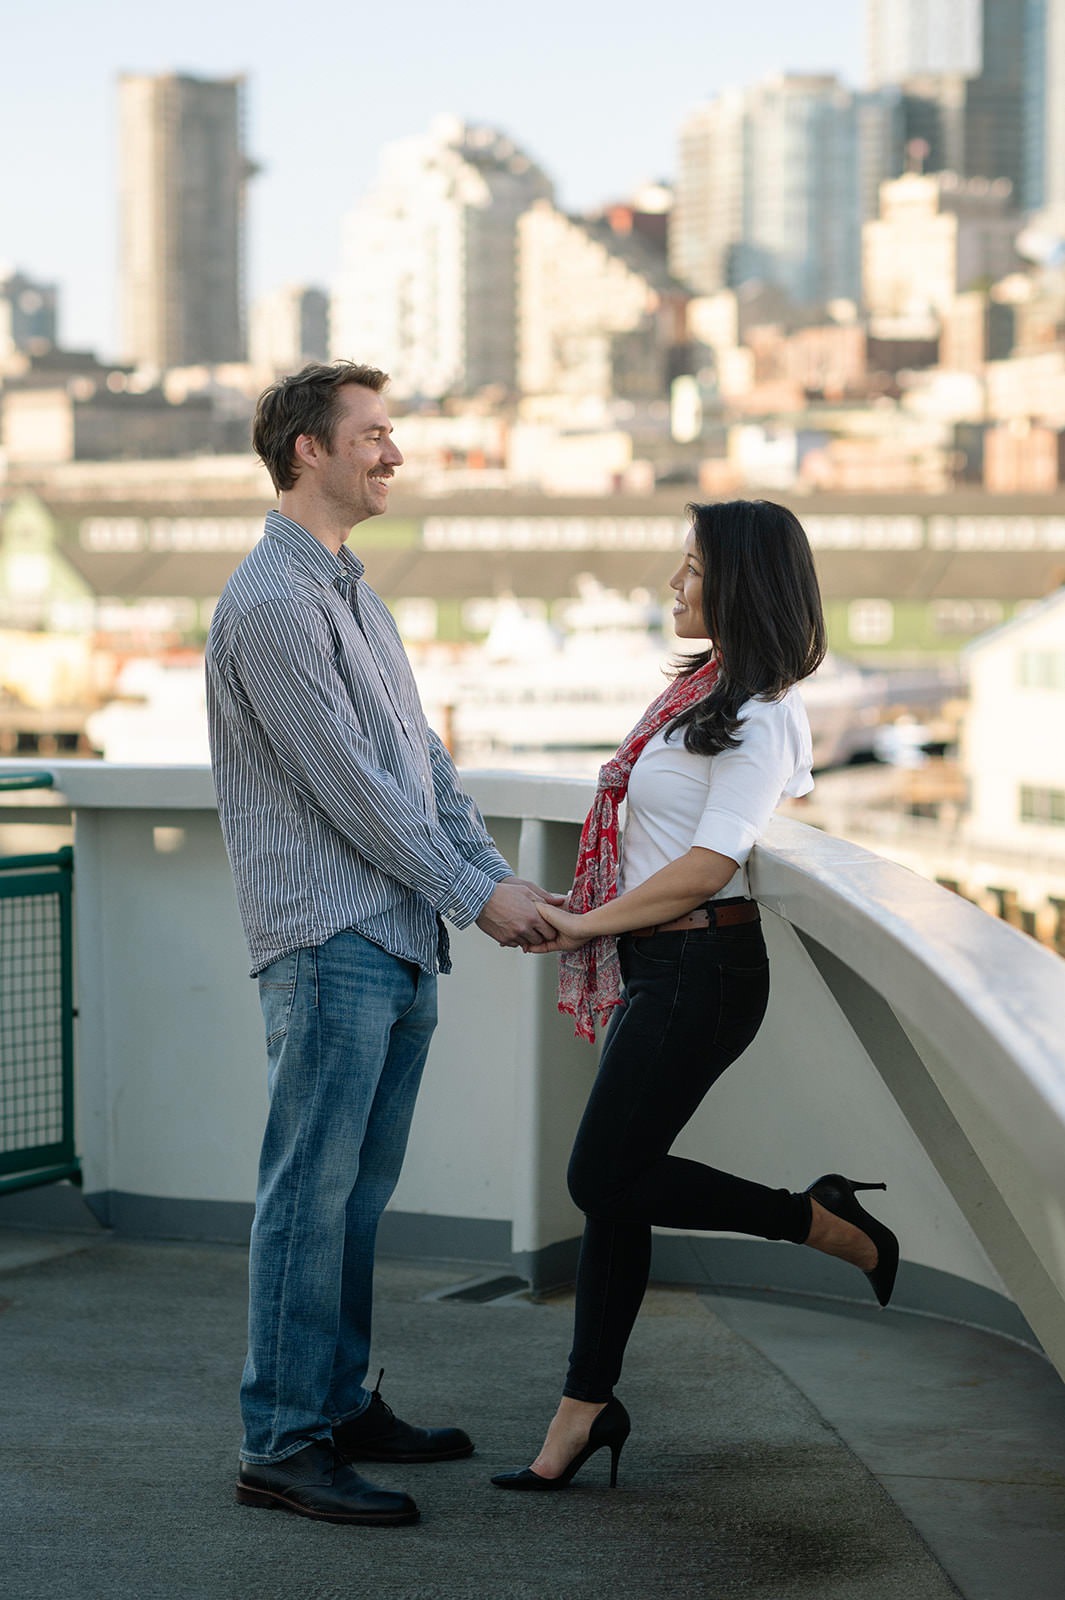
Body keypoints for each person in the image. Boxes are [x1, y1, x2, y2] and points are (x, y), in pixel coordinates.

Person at [206, 361, 558, 1527]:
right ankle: (285, 1439)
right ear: (308, 449)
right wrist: (475, 894)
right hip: (327, 941)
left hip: (395, 939)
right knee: (308, 1195)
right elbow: (354, 793)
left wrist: (490, 881)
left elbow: (424, 766)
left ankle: (340, 1401)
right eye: (373, 433)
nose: (392, 453)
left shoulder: (356, 596)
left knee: (352, 1199)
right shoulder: (270, 604)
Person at [491, 498, 900, 1493]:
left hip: (705, 971)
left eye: (690, 568)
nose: (673, 585)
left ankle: (816, 1218)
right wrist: (590, 908)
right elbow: (658, 840)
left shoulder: (764, 714)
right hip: (656, 964)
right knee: (619, 1192)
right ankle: (583, 1412)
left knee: (600, 1177)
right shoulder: (698, 693)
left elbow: (714, 860)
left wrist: (587, 924)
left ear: (739, 582)